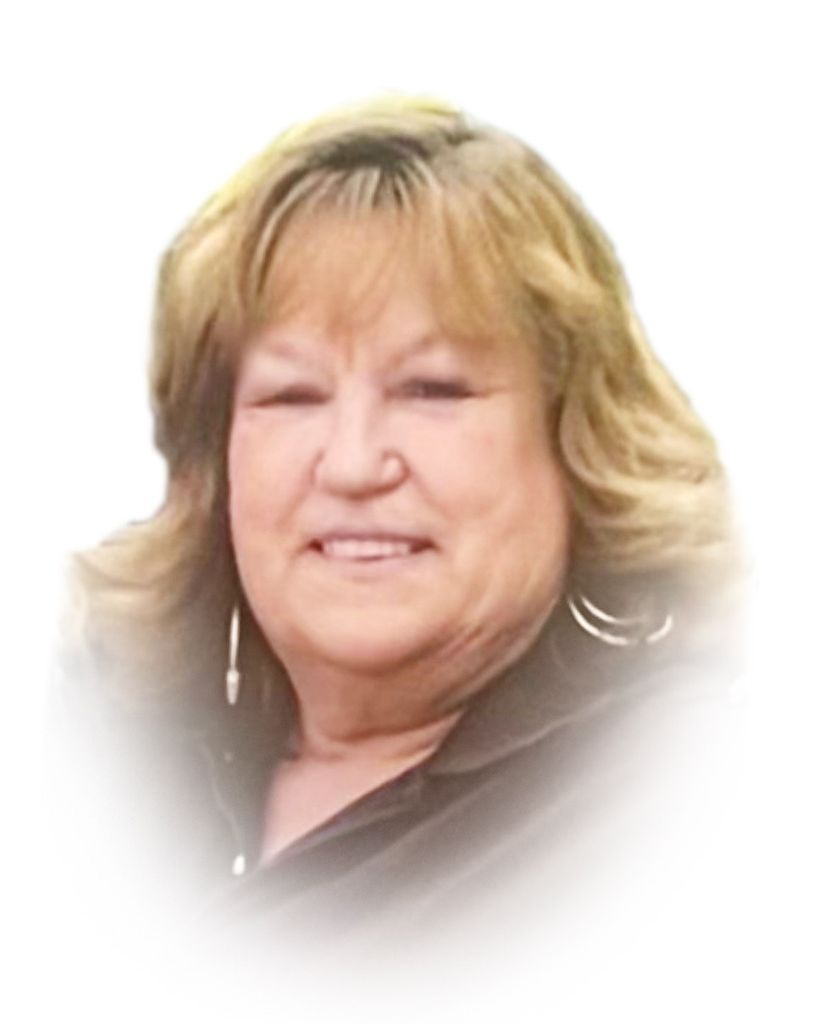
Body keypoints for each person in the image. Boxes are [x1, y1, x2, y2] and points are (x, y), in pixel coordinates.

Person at [51, 96, 741, 979]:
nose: (352, 464)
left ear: (580, 443)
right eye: (291, 396)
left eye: (431, 390)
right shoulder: (97, 750)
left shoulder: (689, 800)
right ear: (214, 461)